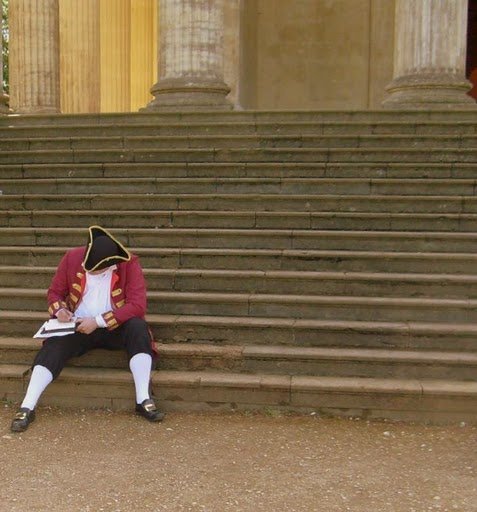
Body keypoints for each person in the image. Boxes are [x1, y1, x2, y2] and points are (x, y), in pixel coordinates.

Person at [11, 225, 164, 432]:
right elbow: (54, 292)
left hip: (115, 327)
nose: (88, 270)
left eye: (94, 269)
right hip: (79, 326)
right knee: (54, 345)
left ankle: (143, 399)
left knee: (138, 327)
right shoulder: (72, 258)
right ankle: (27, 406)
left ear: (111, 264)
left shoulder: (130, 263)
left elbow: (137, 305)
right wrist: (60, 311)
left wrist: (99, 321)